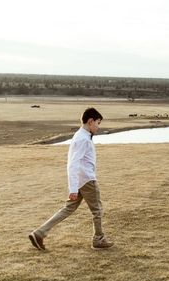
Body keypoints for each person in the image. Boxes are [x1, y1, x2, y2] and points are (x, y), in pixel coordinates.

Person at [29, 107, 114, 251]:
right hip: (86, 180)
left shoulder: (81, 136)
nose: (98, 127)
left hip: (81, 180)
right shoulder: (83, 139)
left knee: (68, 209)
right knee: (97, 210)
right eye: (98, 123)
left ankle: (39, 233)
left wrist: (75, 186)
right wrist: (73, 188)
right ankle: (98, 239)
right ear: (90, 121)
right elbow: (73, 164)